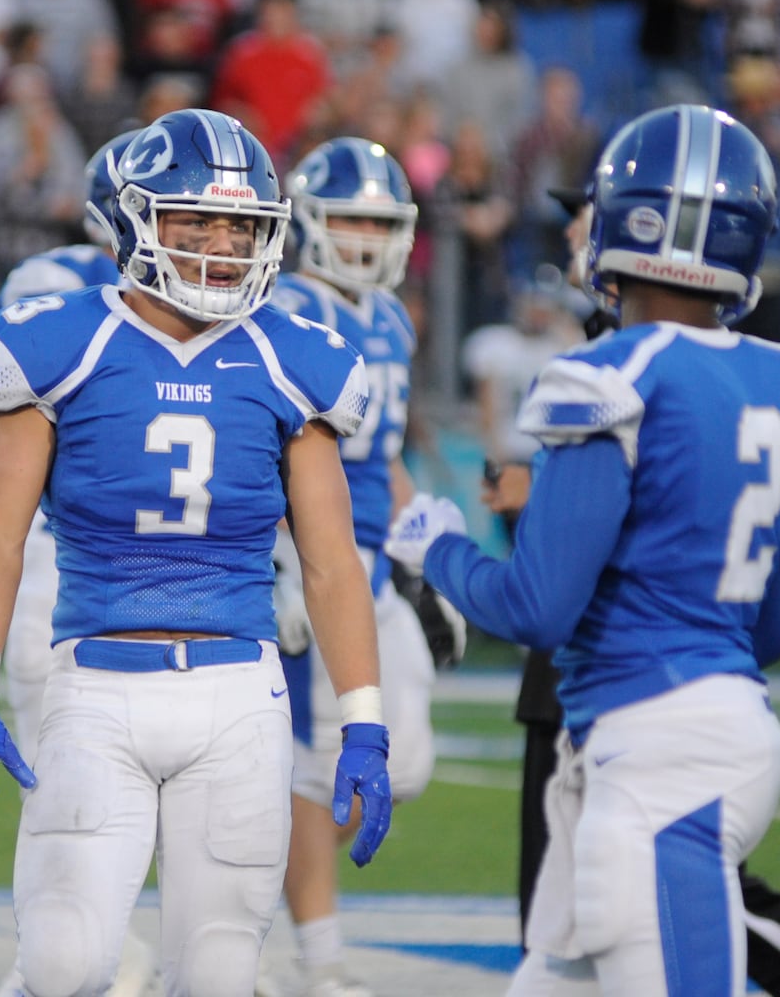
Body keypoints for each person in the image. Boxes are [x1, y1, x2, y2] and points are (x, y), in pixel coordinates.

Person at [385, 104, 780, 997]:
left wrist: (437, 546)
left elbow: (536, 608)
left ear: (624, 221)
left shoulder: (609, 375)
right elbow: (776, 623)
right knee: (548, 980)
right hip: (699, 730)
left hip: (658, 754)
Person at [0, 108, 393, 997]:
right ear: (140, 218)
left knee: (221, 973)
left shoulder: (293, 358)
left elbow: (332, 561)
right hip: (94, 682)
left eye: (240, 226)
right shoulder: (61, 341)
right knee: (64, 963)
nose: (221, 244)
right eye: (196, 220)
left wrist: (364, 720)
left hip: (238, 691)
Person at [257, 136, 457, 997]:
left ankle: (251, 888)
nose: (367, 237)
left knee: (402, 763)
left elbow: (387, 459)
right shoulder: (281, 308)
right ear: (309, 221)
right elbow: (259, 450)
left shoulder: (393, 318)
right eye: (349, 219)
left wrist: (429, 552)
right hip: (312, 560)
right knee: (310, 770)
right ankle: (321, 962)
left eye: (381, 220)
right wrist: (277, 561)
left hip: (377, 563)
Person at [0, 128, 158, 997]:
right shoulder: (53, 289)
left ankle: (137, 952)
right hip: (63, 562)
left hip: (160, 568)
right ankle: (51, 963)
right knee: (62, 784)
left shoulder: (199, 302)